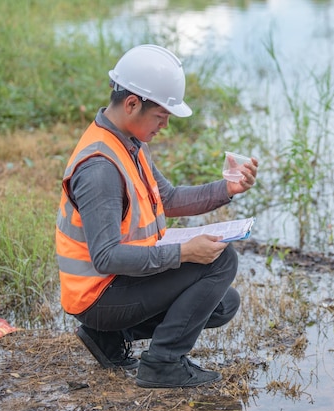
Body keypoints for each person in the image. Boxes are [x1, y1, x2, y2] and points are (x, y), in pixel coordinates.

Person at [55, 44, 258, 388]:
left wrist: (227, 189)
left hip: (115, 285)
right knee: (221, 262)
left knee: (223, 304)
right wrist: (184, 252)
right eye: (161, 117)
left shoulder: (128, 143)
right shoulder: (100, 169)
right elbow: (106, 257)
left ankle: (107, 337)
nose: (164, 126)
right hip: (98, 295)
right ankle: (162, 364)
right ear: (132, 103)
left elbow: (168, 198)